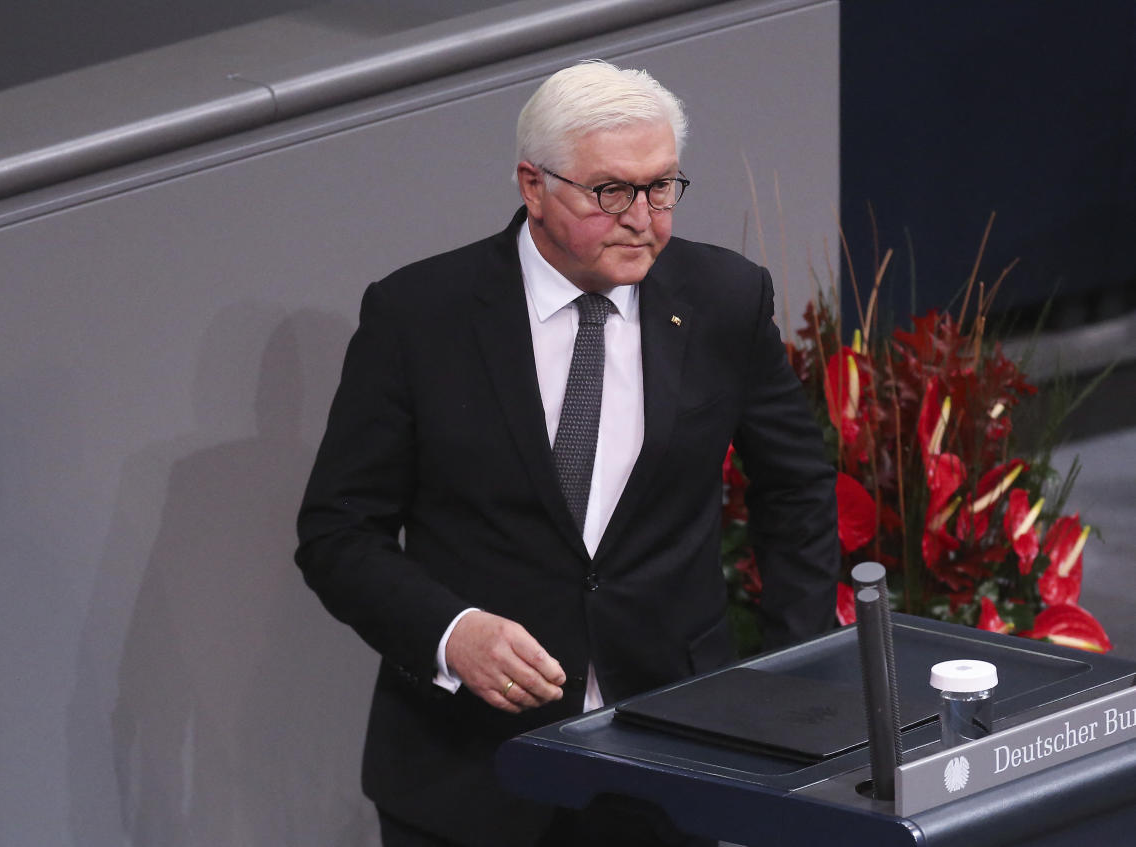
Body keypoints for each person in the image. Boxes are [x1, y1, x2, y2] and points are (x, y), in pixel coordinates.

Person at [295, 60, 839, 847]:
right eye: (610, 191)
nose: (641, 217)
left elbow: (797, 491)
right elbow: (338, 532)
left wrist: (785, 683)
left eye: (661, 188)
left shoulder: (724, 299)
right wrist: (452, 633)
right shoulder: (419, 318)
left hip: (672, 762)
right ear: (533, 186)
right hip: (469, 773)